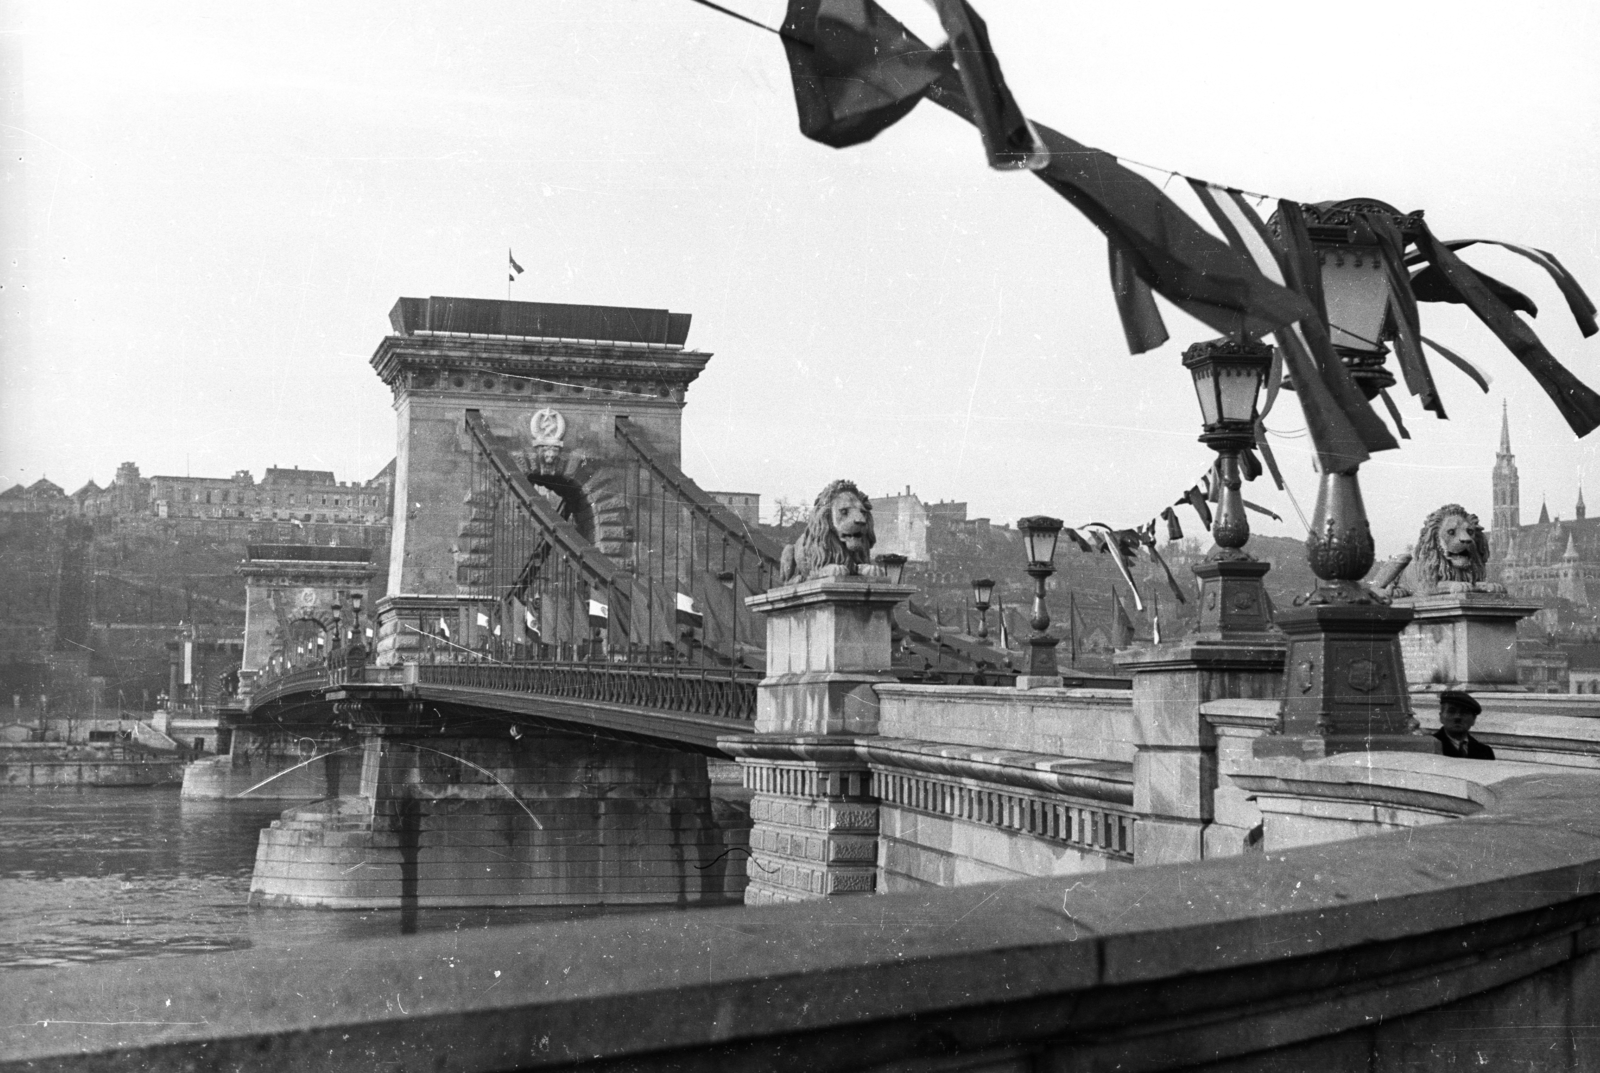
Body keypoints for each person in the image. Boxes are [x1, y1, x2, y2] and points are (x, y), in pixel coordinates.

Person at [1433, 690, 1494, 759]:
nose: (1457, 717)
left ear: (1473, 719)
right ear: (1441, 717)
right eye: (1451, 711)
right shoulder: (1429, 746)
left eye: (1464, 712)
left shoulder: (1485, 752)